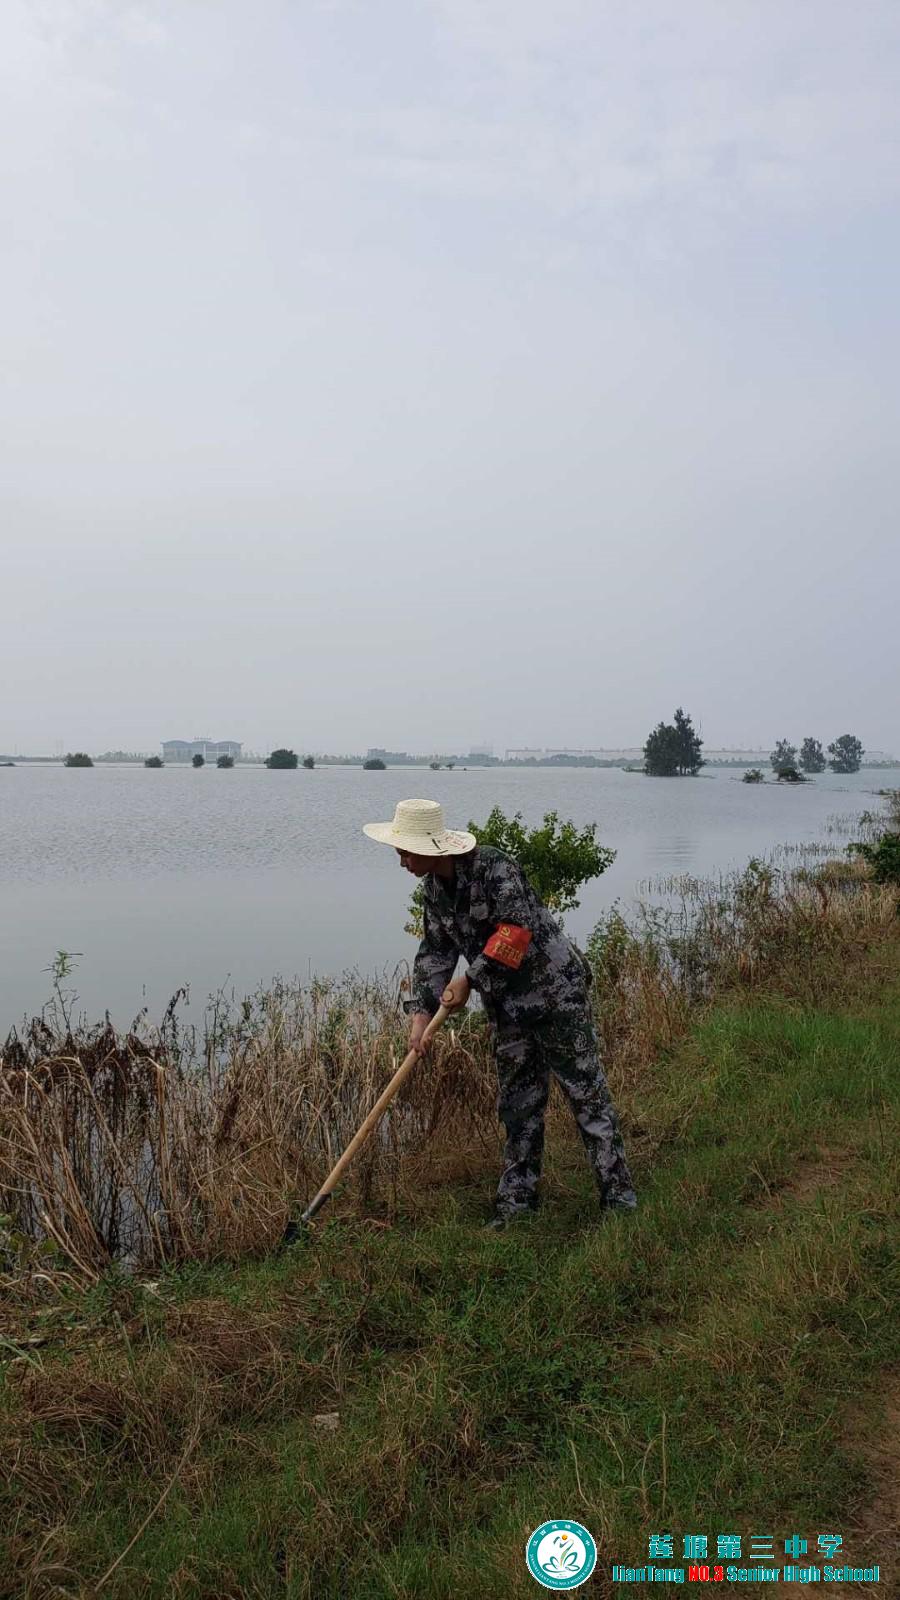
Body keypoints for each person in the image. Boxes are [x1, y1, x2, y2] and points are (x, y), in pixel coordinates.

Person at [363, 797, 637, 1228]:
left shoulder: (494, 868)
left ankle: (618, 1199)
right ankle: (516, 1206)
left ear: (431, 848)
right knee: (518, 1103)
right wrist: (421, 1016)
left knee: (586, 1094)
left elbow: (515, 932)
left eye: (405, 851)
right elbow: (434, 953)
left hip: (555, 996)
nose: (401, 861)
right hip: (507, 1006)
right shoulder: (434, 891)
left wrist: (469, 980)